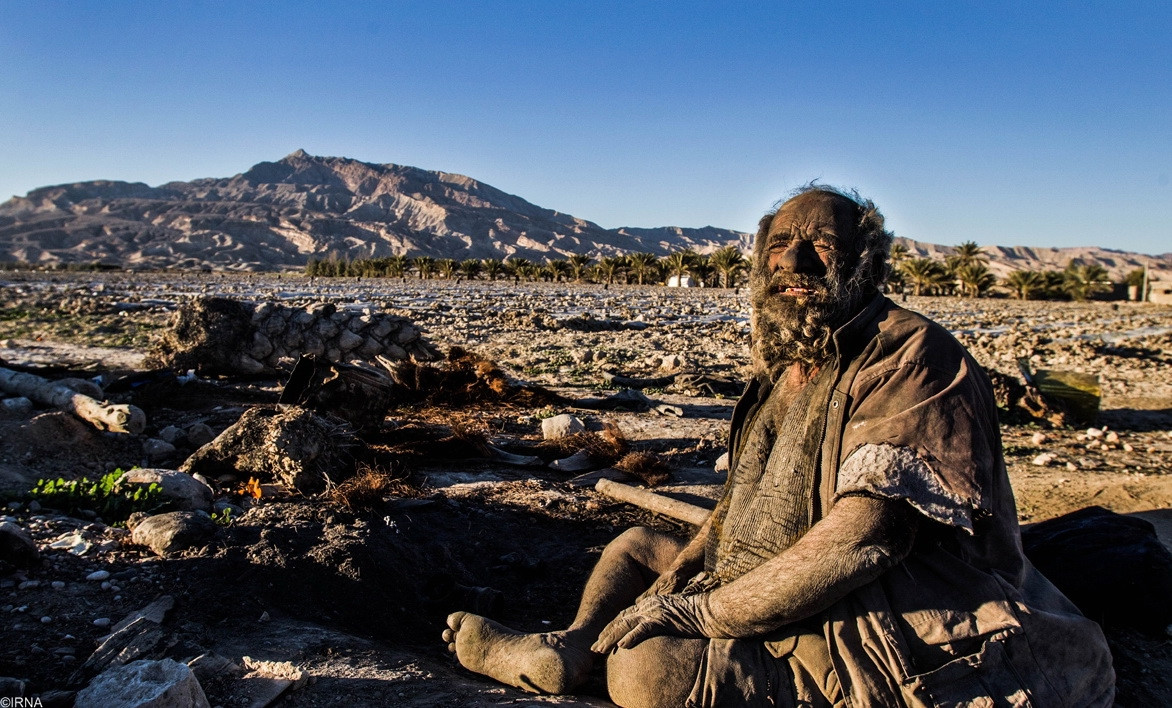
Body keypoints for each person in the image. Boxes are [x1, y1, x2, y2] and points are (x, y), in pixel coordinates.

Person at [442, 187, 1115, 707]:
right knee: (637, 549)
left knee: (650, 668)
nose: (794, 260)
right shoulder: (781, 373)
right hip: (767, 581)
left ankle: (614, 659)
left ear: (866, 262)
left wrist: (695, 610)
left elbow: (866, 538)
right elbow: (734, 512)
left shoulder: (910, 355)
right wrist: (683, 577)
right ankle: (573, 645)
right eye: (781, 243)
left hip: (885, 607)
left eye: (821, 243)